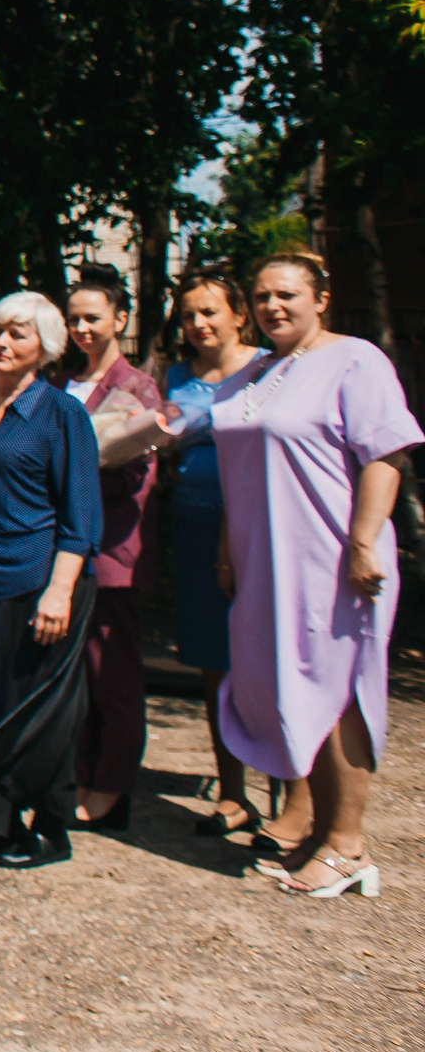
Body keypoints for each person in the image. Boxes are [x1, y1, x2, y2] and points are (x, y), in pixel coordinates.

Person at [215, 251, 419, 898]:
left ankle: (348, 845)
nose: (274, 305)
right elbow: (237, 465)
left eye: (287, 294)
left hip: (331, 557)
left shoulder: (355, 359)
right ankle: (317, 830)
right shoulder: (254, 370)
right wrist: (228, 544)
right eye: (263, 295)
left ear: (321, 298)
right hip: (265, 559)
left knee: (338, 694)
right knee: (290, 692)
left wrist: (363, 543)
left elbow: (386, 453)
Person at [0, 291, 102, 870]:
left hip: (37, 581)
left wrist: (60, 590)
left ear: (45, 348)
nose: (2, 343)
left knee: (38, 708)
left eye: (18, 334)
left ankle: (51, 828)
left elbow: (82, 517)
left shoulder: (62, 414)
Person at [157, 269, 266, 837]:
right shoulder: (176, 374)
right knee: (212, 660)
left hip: (258, 522)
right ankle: (231, 792)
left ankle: (291, 792)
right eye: (190, 314)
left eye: (210, 312)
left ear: (238, 314)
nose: (198, 323)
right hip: (196, 525)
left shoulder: (269, 367)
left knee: (268, 656)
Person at [58, 265, 162, 832]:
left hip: (111, 549)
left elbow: (134, 478)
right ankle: (78, 773)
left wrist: (78, 466)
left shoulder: (137, 388)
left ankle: (112, 787)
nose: (82, 328)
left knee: (113, 676)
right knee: (74, 675)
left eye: (92, 317)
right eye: (73, 319)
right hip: (61, 549)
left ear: (119, 319)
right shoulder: (61, 381)